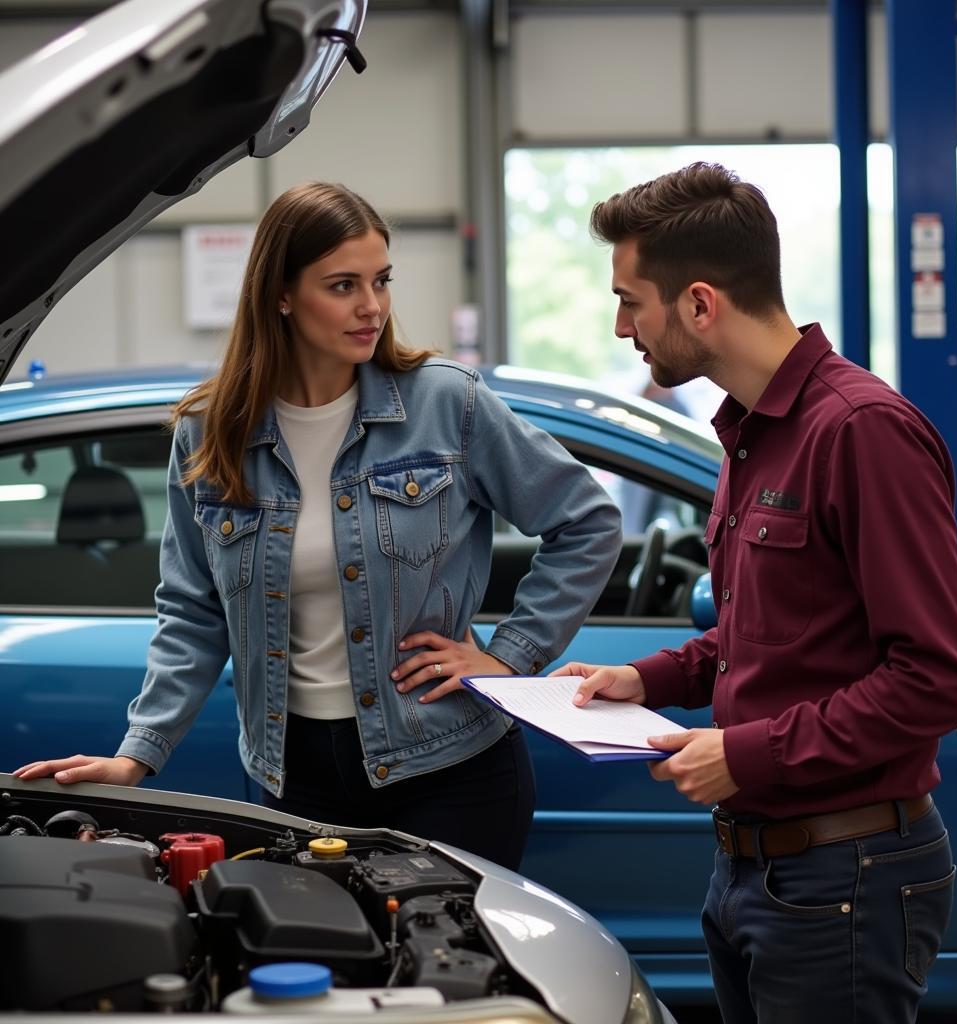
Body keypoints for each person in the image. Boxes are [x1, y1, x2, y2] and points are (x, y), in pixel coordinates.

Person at [14, 181, 622, 871]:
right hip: (292, 778)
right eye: (343, 286)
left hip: (450, 769)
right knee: (319, 969)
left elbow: (587, 521)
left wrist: (511, 656)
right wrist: (136, 756)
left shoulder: (446, 404)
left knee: (450, 975)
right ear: (281, 293)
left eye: (381, 280)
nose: (372, 306)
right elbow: (191, 611)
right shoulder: (209, 434)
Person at [554, 161, 957, 1022]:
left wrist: (743, 755)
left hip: (845, 876)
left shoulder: (860, 433)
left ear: (701, 304)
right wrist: (650, 678)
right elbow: (777, 632)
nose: (621, 326)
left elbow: (937, 678)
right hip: (760, 870)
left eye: (632, 300)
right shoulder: (751, 436)